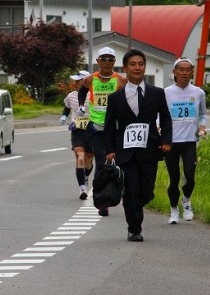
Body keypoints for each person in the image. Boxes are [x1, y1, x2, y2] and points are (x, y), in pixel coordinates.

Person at [104, 49, 172, 241]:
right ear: (125, 68)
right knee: (131, 189)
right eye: (132, 64)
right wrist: (109, 150)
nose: (137, 67)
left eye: (140, 64)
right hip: (125, 151)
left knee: (146, 191)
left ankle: (137, 207)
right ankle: (134, 229)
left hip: (149, 149)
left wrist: (166, 140)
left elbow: (166, 118)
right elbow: (109, 125)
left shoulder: (157, 93)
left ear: (144, 67)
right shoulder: (115, 98)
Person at [78, 47, 127, 216]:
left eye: (110, 59)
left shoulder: (121, 81)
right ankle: (102, 202)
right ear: (98, 61)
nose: (107, 62)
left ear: (114, 62)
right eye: (104, 59)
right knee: (101, 162)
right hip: (96, 128)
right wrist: (80, 105)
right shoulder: (90, 79)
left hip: (115, 128)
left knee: (120, 162)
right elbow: (82, 91)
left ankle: (123, 192)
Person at [163, 57, 207, 224]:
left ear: (192, 73)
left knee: (190, 177)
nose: (184, 72)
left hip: (189, 141)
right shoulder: (166, 92)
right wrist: (159, 127)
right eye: (180, 69)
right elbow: (159, 114)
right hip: (171, 142)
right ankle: (174, 210)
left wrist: (202, 127)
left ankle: (186, 200)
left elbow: (203, 113)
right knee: (174, 179)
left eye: (187, 69)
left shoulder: (198, 92)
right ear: (174, 72)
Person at [60, 70, 93, 200]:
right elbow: (67, 107)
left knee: (88, 161)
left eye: (78, 81)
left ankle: (85, 175)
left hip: (92, 131)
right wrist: (64, 116)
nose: (75, 83)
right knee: (80, 156)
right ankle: (82, 189)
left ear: (85, 81)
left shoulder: (94, 95)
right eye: (75, 81)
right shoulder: (71, 96)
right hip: (77, 131)